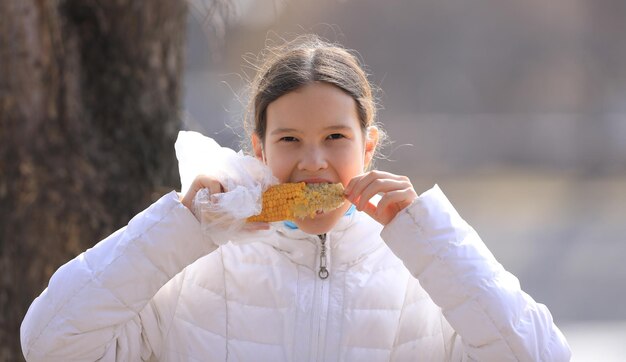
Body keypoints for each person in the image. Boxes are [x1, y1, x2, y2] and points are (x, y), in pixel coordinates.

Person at [21, 35, 571, 361]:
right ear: (259, 149)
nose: (313, 163)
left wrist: (434, 241)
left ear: (369, 146)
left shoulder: (427, 275)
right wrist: (180, 226)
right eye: (290, 140)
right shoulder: (190, 268)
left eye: (336, 138)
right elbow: (49, 344)